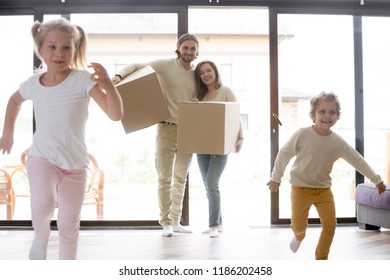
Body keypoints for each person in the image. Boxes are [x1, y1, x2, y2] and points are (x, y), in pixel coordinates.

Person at [0, 18, 123, 260]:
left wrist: (109, 84)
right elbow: (14, 101)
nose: (59, 53)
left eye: (66, 47)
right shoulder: (33, 84)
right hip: (42, 157)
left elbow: (115, 114)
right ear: (40, 49)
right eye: (52, 47)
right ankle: (41, 235)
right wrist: (8, 134)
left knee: (68, 225)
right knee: (43, 203)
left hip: (75, 164)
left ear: (75, 49)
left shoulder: (81, 80)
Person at [266, 91, 386, 260]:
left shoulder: (338, 142)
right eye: (322, 111)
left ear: (337, 116)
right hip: (300, 189)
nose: (327, 116)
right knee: (299, 226)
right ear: (313, 114)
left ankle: (321, 259)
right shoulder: (302, 134)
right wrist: (276, 178)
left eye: (332, 112)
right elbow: (284, 154)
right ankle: (299, 236)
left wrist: (377, 179)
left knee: (330, 226)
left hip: (323, 191)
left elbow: (357, 160)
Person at [112, 34, 199, 237]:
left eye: (192, 48)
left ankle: (177, 221)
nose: (189, 51)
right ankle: (166, 222)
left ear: (197, 51)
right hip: (166, 128)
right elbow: (136, 66)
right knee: (164, 178)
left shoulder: (197, 74)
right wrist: (118, 76)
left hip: (189, 129)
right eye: (185, 47)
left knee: (181, 178)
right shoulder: (165, 65)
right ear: (178, 49)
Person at [193, 60, 244, 238]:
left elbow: (236, 115)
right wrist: (194, 107)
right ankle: (219, 223)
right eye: (202, 73)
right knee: (208, 186)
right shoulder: (200, 95)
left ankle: (213, 225)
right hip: (202, 146)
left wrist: (241, 137)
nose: (206, 74)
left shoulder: (225, 91)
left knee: (212, 183)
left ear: (215, 72)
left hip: (220, 146)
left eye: (209, 71)